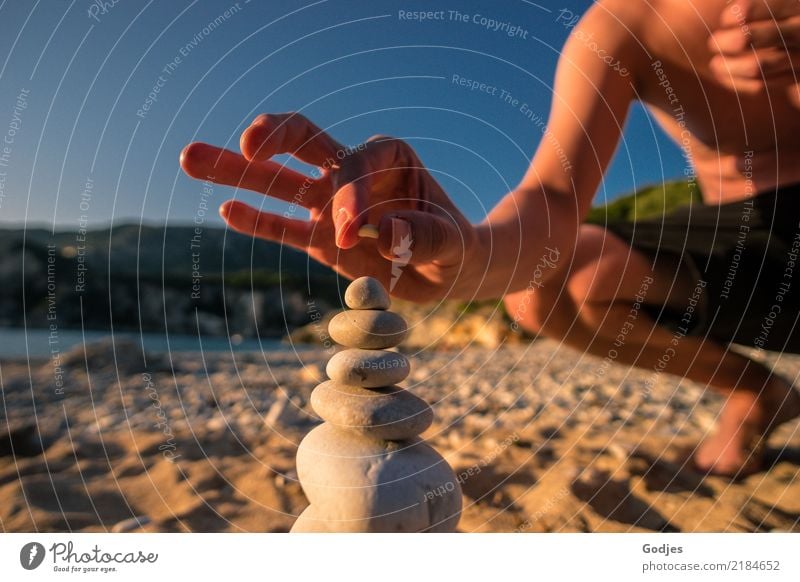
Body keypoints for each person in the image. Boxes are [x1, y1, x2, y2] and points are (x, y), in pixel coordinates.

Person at [181, 0, 800, 477]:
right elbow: (554, 198)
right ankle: (753, 390)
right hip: (755, 246)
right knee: (544, 286)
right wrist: (468, 258)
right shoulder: (622, 28)